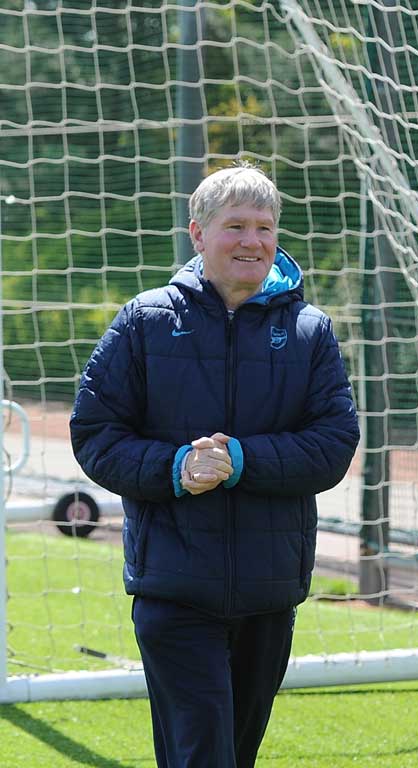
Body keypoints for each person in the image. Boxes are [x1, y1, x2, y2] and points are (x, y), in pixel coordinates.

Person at [70, 162, 360, 768]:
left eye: (264, 226)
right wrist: (177, 467)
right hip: (174, 589)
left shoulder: (310, 331)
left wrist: (241, 460)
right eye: (235, 226)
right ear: (198, 234)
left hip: (269, 591)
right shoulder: (145, 323)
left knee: (234, 754)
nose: (252, 241)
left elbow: (334, 444)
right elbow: (96, 436)